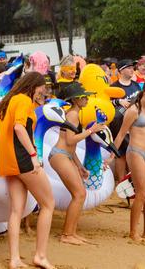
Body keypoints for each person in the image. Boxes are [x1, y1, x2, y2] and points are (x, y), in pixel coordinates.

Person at [0, 72, 54, 269]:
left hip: (9, 162)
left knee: (16, 210)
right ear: (33, 86)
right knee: (48, 204)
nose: (42, 92)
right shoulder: (23, 100)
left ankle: (14, 259)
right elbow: (19, 128)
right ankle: (41, 256)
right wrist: (33, 155)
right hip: (22, 160)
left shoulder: (7, 101)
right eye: (41, 88)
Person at [48, 83, 106, 245]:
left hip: (63, 155)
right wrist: (90, 131)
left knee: (80, 194)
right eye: (84, 96)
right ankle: (67, 235)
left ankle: (71, 233)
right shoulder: (72, 114)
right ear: (76, 99)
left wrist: (79, 166)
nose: (87, 99)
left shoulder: (74, 113)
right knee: (80, 194)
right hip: (60, 156)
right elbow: (71, 140)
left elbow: (71, 146)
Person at [113, 81, 145, 242]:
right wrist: (112, 155)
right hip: (135, 152)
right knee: (142, 193)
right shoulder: (133, 111)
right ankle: (133, 231)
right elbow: (120, 134)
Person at [110, 59, 142, 181]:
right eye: (128, 67)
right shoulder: (114, 87)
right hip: (119, 124)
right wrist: (118, 101)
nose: (132, 69)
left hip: (136, 124)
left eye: (132, 67)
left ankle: (132, 181)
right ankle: (121, 182)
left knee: (133, 153)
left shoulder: (136, 85)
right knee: (121, 154)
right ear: (121, 71)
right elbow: (105, 103)